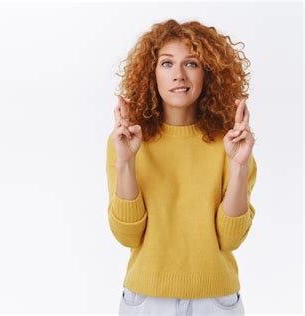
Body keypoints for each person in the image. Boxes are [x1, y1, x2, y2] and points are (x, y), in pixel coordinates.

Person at [106, 19, 257, 315]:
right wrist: (125, 161)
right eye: (166, 64)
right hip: (147, 300)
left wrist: (238, 166)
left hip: (215, 301)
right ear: (152, 73)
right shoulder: (128, 141)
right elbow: (127, 237)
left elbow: (231, 239)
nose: (178, 75)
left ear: (207, 73)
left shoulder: (230, 143)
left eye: (191, 64)